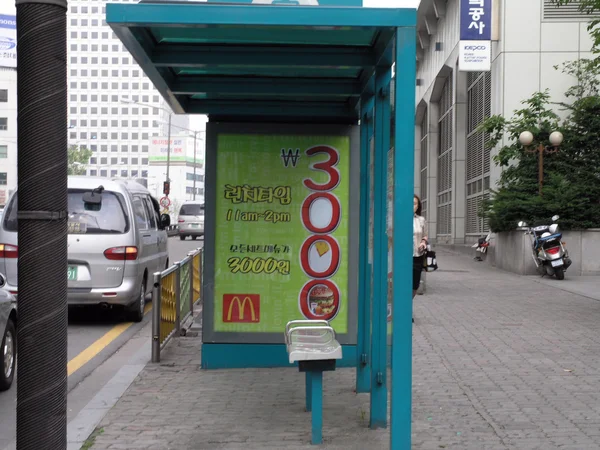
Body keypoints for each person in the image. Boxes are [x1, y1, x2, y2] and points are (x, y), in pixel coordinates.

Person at [413, 195, 428, 322]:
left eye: (415, 204)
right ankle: (404, 311)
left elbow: (425, 235)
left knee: (415, 285)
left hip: (417, 255)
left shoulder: (421, 220)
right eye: (411, 203)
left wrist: (423, 242)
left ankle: (406, 306)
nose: (413, 206)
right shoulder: (398, 218)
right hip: (402, 257)